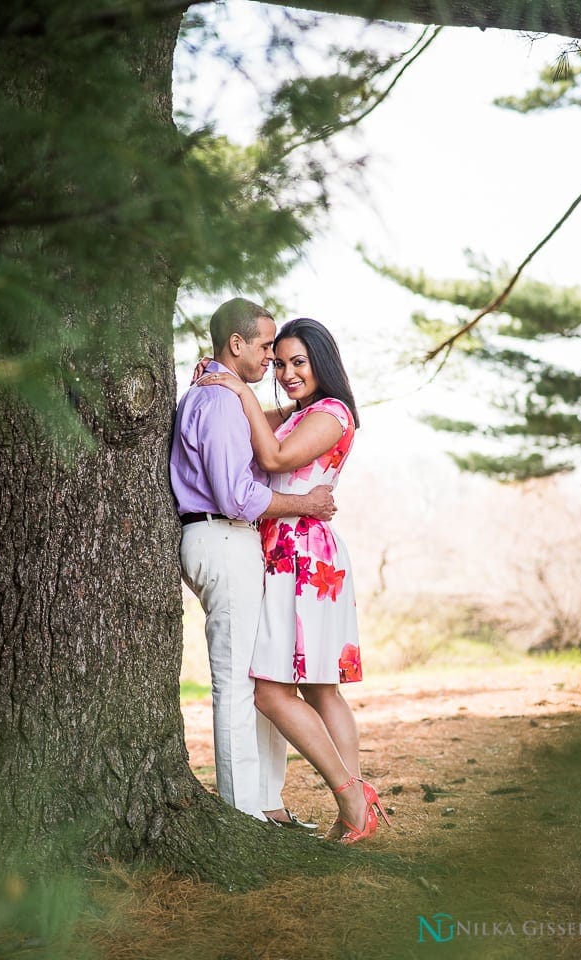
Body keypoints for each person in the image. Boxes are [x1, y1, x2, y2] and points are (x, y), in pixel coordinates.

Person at [198, 317, 390, 844]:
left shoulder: (332, 413)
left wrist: (236, 384)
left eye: (297, 362)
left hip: (302, 555)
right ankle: (353, 809)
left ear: (321, 362)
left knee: (271, 692)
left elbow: (274, 456)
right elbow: (259, 419)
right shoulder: (301, 412)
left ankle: (352, 795)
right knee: (320, 688)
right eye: (279, 363)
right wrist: (221, 379)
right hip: (288, 550)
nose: (284, 373)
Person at [169, 298, 336, 826]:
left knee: (260, 675)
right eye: (266, 347)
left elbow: (253, 429)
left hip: (235, 541)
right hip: (222, 535)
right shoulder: (217, 401)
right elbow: (237, 494)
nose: (272, 358)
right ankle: (245, 815)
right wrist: (306, 505)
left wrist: (278, 406)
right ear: (235, 344)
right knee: (238, 682)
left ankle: (269, 805)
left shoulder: (224, 396)